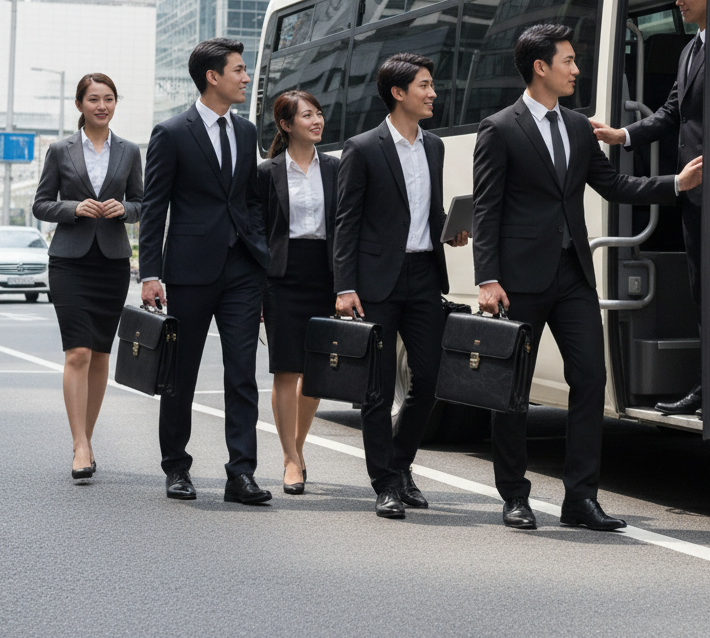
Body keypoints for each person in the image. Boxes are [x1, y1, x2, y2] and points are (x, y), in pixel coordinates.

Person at [473, 23, 701, 531]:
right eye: (569, 61)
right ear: (541, 67)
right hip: (518, 280)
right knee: (513, 390)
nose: (576, 70)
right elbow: (486, 210)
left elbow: (614, 184)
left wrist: (675, 185)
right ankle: (514, 495)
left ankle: (581, 499)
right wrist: (487, 278)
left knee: (591, 379)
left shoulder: (578, 126)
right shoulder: (500, 128)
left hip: (573, 274)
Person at [590, 0, 710, 416]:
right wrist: (624, 135)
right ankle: (707, 386)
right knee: (701, 293)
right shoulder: (689, 49)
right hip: (695, 191)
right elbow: (671, 113)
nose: (679, 0)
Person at [334, 53, 468, 520]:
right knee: (376, 387)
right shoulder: (363, 147)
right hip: (375, 282)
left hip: (424, 274)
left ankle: (401, 463)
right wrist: (345, 285)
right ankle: (386, 483)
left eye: (432, 85)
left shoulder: (434, 146)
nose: (433, 94)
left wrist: (450, 230)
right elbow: (346, 223)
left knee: (429, 379)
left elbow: (428, 211)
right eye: (425, 86)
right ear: (398, 93)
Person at [138, 38, 271, 504]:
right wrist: (149, 273)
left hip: (241, 270)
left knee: (242, 374)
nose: (245, 77)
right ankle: (176, 467)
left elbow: (250, 198)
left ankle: (242, 473)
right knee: (182, 373)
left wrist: (257, 248)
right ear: (212, 77)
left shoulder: (247, 132)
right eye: (238, 70)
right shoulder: (172, 132)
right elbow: (154, 208)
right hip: (190, 270)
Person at [32, 73, 143, 482]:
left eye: (109, 98)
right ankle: (79, 444)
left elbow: (142, 203)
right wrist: (75, 208)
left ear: (116, 103)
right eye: (93, 99)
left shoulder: (129, 150)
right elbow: (41, 204)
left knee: (100, 355)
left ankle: (87, 438)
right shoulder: (60, 150)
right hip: (70, 262)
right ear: (79, 104)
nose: (102, 105)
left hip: (112, 261)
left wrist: (125, 210)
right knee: (77, 352)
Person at [256, 90, 339, 495]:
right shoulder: (266, 173)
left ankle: (298, 447)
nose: (317, 121)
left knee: (317, 373)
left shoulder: (336, 169)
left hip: (325, 275)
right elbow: (255, 235)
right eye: (307, 115)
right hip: (282, 277)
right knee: (286, 369)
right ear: (286, 126)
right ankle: (290, 458)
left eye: (319, 114)